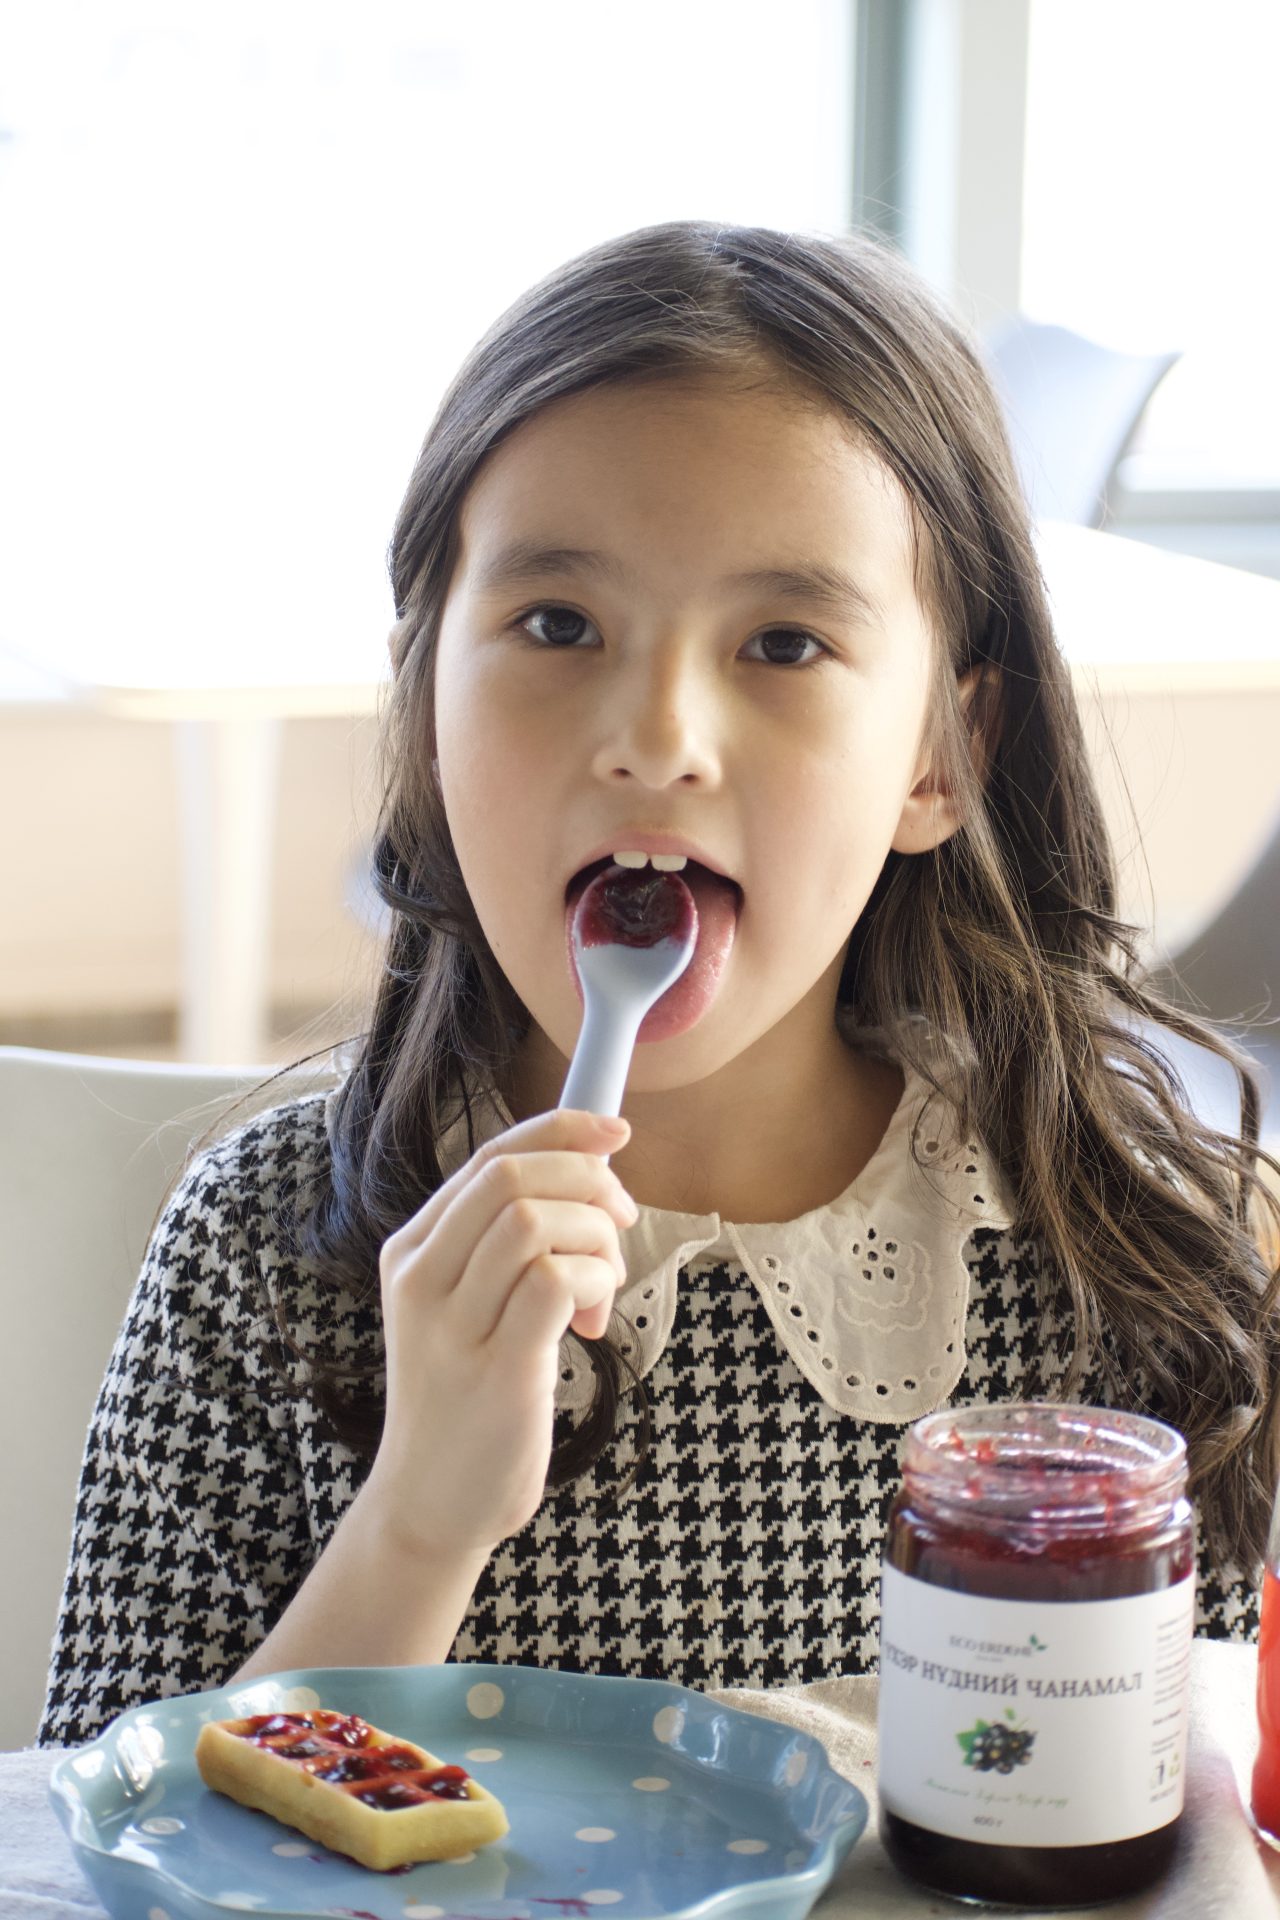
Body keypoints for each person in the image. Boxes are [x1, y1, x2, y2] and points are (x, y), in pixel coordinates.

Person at [39, 220, 1280, 1748]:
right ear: (427, 693)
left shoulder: (1142, 1267)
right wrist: (418, 1522)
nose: (657, 735)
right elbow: (90, 1862)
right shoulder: (267, 1256)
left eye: (781, 642)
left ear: (943, 757)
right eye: (558, 624)